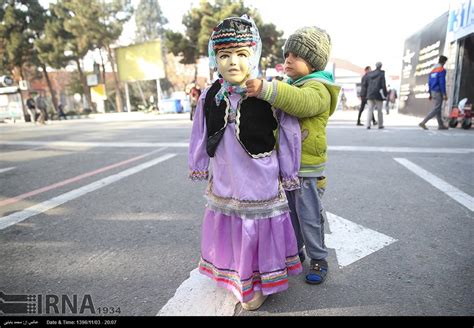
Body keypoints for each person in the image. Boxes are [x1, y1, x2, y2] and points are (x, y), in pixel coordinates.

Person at [188, 15, 303, 311]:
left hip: (259, 175)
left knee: (256, 224)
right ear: (215, 59)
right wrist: (199, 161)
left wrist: (289, 171)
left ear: (254, 55)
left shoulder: (268, 91)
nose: (232, 63)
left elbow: (289, 131)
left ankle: (260, 280)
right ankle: (237, 275)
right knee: (231, 221)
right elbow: (200, 131)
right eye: (224, 56)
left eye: (241, 55)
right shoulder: (210, 94)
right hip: (225, 175)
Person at [246, 26, 341, 285]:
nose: (288, 59)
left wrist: (268, 90)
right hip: (287, 167)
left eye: (296, 56)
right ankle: (294, 254)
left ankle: (319, 257)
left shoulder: (319, 88)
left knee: (309, 217)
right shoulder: (293, 85)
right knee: (289, 216)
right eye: (286, 54)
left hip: (307, 169)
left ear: (313, 63)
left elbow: (300, 102)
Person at [419, 55, 448, 130]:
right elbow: (442, 83)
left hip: (433, 91)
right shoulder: (442, 70)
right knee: (437, 108)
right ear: (444, 62)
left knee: (437, 108)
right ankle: (423, 122)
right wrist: (444, 94)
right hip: (438, 91)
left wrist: (430, 93)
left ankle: (441, 125)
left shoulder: (433, 70)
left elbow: (429, 82)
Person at [365, 61, 387, 129]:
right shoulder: (381, 74)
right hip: (378, 94)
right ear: (381, 66)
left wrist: (367, 93)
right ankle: (380, 125)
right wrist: (385, 94)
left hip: (370, 94)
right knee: (379, 110)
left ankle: (368, 125)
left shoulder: (369, 74)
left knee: (370, 110)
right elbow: (383, 85)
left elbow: (366, 84)